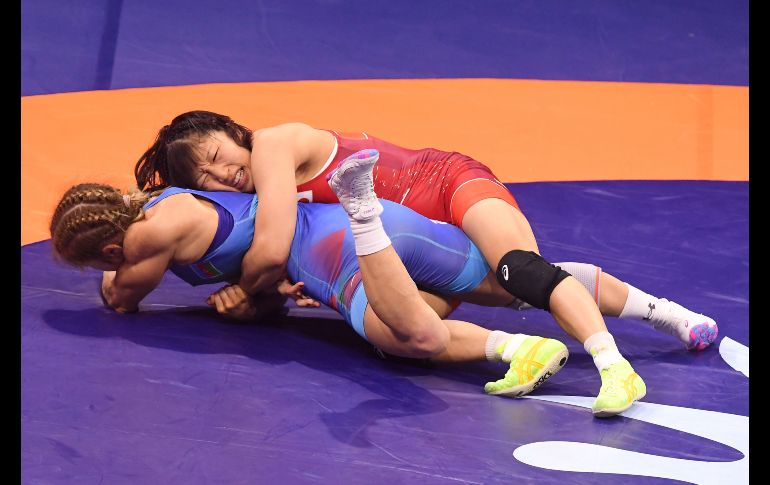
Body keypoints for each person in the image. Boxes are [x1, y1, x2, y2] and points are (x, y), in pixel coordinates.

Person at [132, 111, 717, 355]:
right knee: (411, 324)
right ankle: (532, 350)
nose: (220, 174)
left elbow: (273, 250)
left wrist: (249, 288)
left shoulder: (272, 146)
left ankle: (659, 318)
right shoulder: (254, 198)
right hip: (405, 239)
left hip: (441, 182)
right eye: (202, 177)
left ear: (234, 132)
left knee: (521, 273)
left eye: (215, 153)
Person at [48, 174, 573, 411]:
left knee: (406, 339)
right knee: (513, 284)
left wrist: (250, 295)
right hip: (359, 219)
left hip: (327, 252)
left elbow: (120, 299)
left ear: (112, 250)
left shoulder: (145, 238)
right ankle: (640, 308)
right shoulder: (161, 201)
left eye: (95, 259)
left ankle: (516, 349)